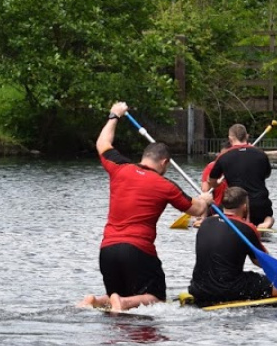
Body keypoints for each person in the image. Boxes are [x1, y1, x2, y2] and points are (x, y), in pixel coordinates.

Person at [79, 102, 211, 312]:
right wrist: (206, 198)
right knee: (155, 297)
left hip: (107, 250)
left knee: (117, 298)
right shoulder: (165, 185)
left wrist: (114, 116)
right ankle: (121, 302)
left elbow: (102, 143)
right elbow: (196, 210)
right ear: (164, 163)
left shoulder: (119, 168)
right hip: (138, 250)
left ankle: (95, 300)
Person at [207, 124, 274, 229]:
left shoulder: (224, 157)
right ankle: (265, 224)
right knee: (269, 217)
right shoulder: (261, 155)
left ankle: (220, 220)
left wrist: (216, 184)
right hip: (259, 203)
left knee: (219, 213)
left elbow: (211, 181)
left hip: (235, 203)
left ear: (230, 139)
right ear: (246, 136)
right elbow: (267, 174)